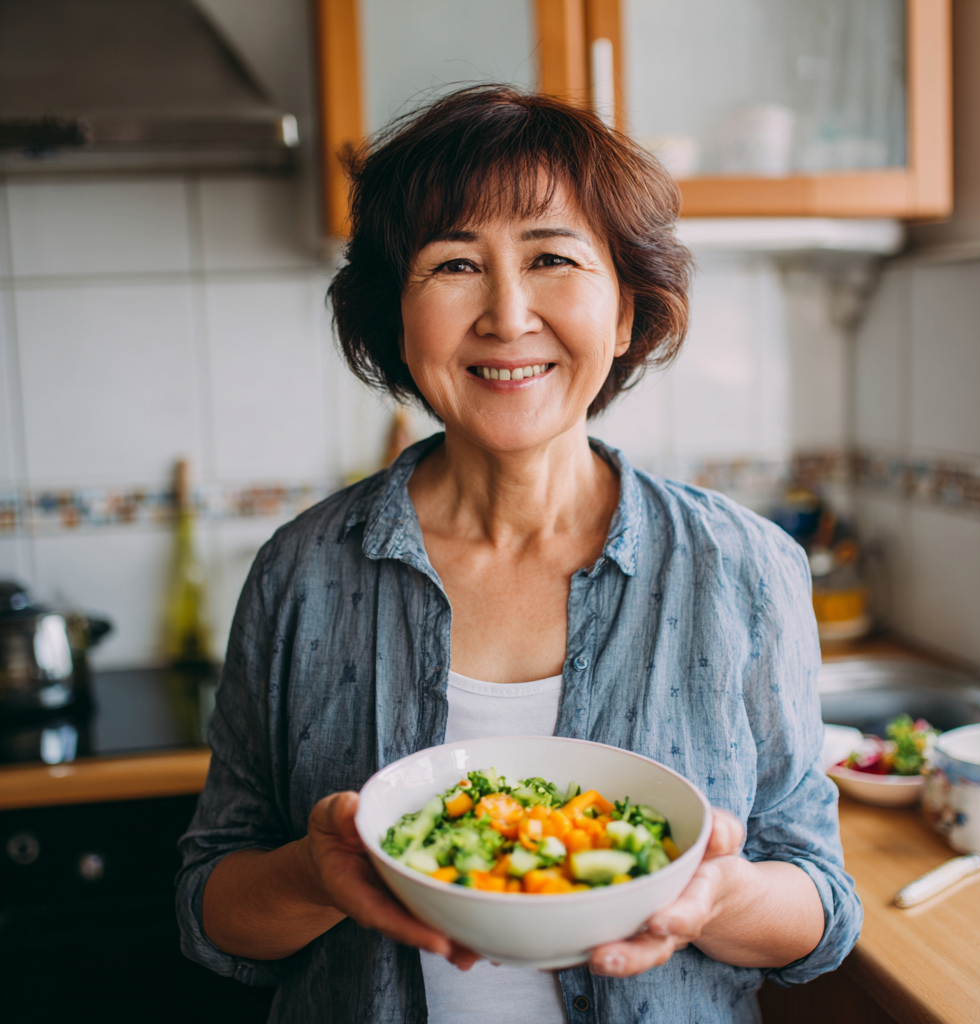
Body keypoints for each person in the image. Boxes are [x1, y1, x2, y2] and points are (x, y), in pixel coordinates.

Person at [177, 85, 861, 1023]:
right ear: (400, 323)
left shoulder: (742, 568)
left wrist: (718, 897)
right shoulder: (302, 573)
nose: (506, 314)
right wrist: (315, 875)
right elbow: (213, 907)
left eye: (551, 257)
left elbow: (818, 903)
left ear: (624, 314)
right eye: (455, 263)